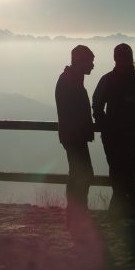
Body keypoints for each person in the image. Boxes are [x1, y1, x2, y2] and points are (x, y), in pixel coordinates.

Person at [92, 43, 135, 219]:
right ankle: (125, 210)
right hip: (123, 134)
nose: (121, 60)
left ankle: (119, 209)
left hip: (122, 134)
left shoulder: (109, 79)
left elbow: (97, 105)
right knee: (122, 169)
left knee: (120, 169)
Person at [55, 45, 96, 233]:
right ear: (80, 62)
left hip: (72, 135)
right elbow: (72, 113)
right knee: (83, 173)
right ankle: (76, 214)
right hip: (74, 136)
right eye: (90, 61)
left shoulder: (70, 79)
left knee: (78, 173)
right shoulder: (70, 81)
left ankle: (75, 213)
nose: (93, 66)